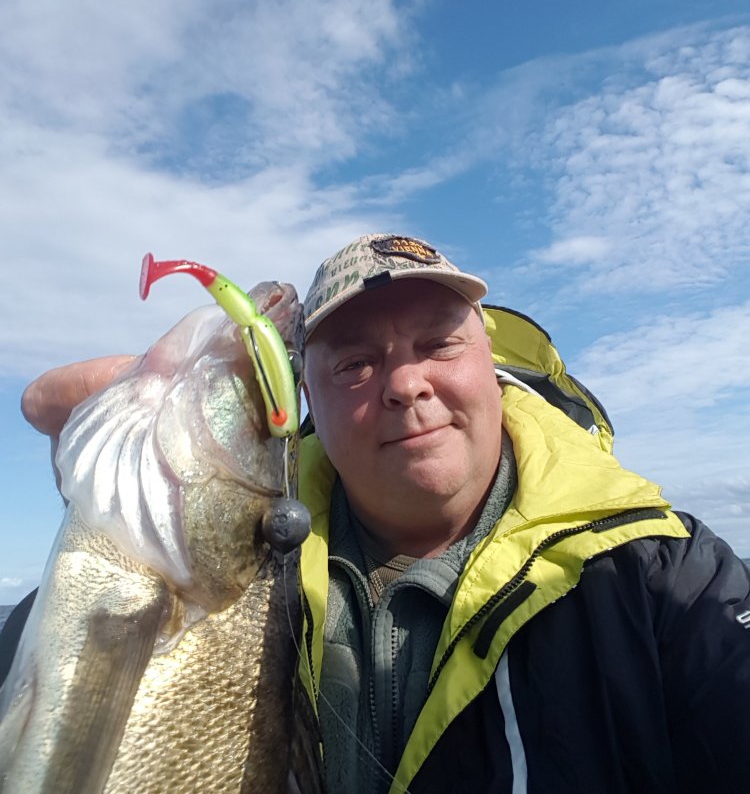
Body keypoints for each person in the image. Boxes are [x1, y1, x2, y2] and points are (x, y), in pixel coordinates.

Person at [7, 233, 750, 792]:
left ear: (486, 362)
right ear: (307, 399)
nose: (405, 384)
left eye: (439, 344)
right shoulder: (239, 575)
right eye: (355, 363)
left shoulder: (668, 581)